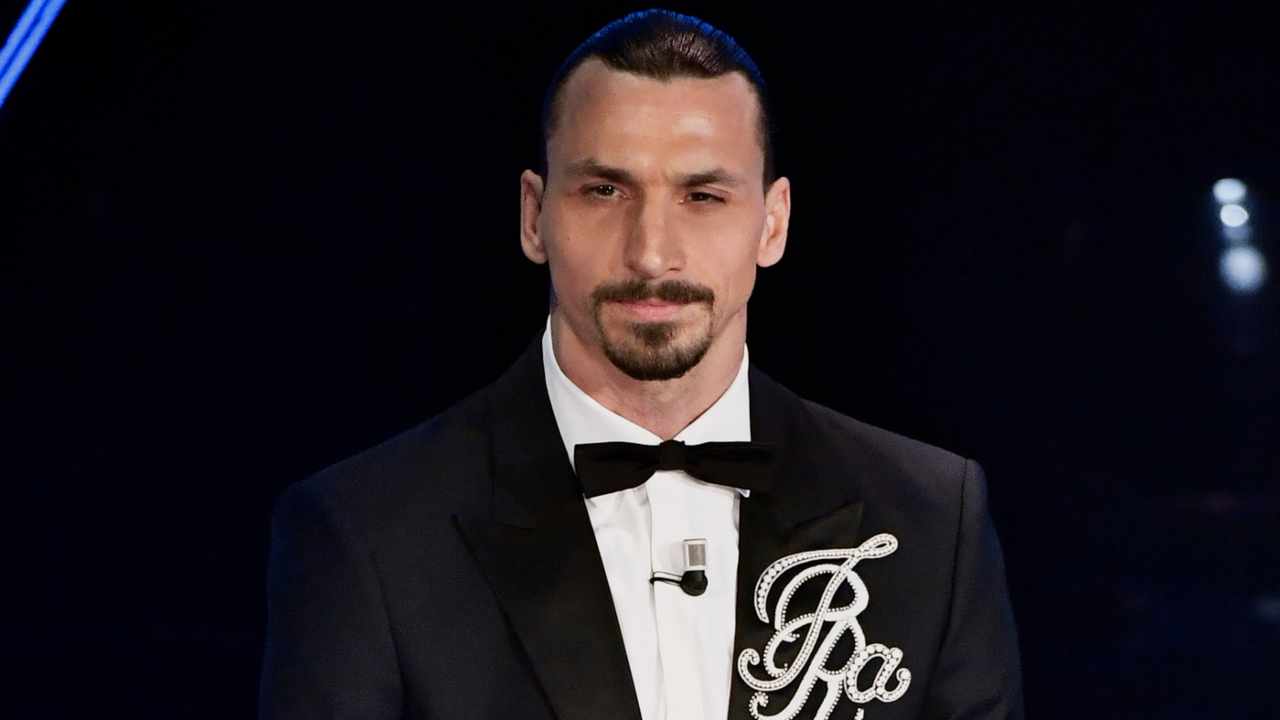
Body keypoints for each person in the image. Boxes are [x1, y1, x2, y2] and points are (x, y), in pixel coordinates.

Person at [258, 9, 1023, 720]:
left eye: (703, 196)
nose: (652, 254)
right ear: (533, 216)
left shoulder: (931, 520)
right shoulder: (366, 535)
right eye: (604, 190)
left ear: (773, 222)